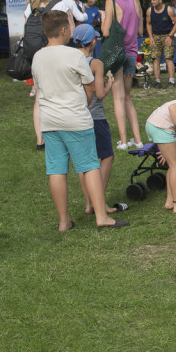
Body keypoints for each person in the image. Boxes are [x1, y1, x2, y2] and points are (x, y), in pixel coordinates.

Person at [31, 11, 128, 231]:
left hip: (49, 121)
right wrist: (82, 105)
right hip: (76, 119)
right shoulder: (74, 56)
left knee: (56, 170)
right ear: (64, 30)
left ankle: (64, 221)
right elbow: (90, 90)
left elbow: (39, 88)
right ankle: (101, 217)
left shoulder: (37, 56)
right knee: (90, 166)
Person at [71, 24, 127, 217]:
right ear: (93, 41)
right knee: (107, 157)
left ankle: (89, 204)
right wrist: (109, 84)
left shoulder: (69, 60)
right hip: (95, 117)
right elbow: (100, 94)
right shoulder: (95, 63)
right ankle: (99, 202)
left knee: (84, 162)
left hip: (74, 117)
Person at [30, 0, 85, 148]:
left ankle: (40, 139)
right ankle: (62, 130)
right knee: (62, 91)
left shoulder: (33, 5)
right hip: (57, 51)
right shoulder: (61, 4)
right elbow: (71, 29)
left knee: (39, 95)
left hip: (37, 53)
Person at [102, 0, 145, 150]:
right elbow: (141, 32)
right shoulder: (135, 1)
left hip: (117, 53)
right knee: (127, 97)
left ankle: (124, 141)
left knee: (117, 98)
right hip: (132, 53)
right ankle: (138, 139)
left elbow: (105, 31)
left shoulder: (111, 2)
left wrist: (104, 18)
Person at [146, 0, 176, 88]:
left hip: (167, 35)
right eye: (151, 0)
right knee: (155, 58)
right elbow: (148, 24)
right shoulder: (149, 11)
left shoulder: (168, 10)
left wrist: (170, 35)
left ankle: (171, 81)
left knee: (168, 58)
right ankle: (157, 81)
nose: (152, 2)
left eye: (154, 0)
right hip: (155, 35)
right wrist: (150, 36)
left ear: (160, 0)